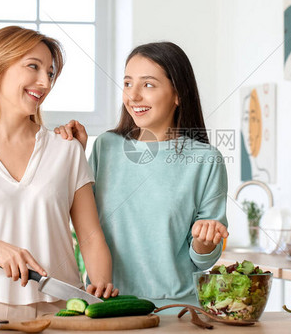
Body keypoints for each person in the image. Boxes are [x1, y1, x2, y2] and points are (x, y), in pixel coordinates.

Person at [0, 26, 117, 320]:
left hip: (64, 309)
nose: (45, 82)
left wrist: (101, 286)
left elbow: (90, 236)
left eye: (50, 73)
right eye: (33, 67)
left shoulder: (66, 150)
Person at [56, 42, 229, 308]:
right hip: (110, 303)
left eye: (147, 85)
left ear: (178, 94)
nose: (133, 96)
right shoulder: (106, 147)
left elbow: (203, 259)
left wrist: (203, 241)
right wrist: (73, 156)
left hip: (178, 309)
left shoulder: (205, 160)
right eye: (127, 83)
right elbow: (83, 221)